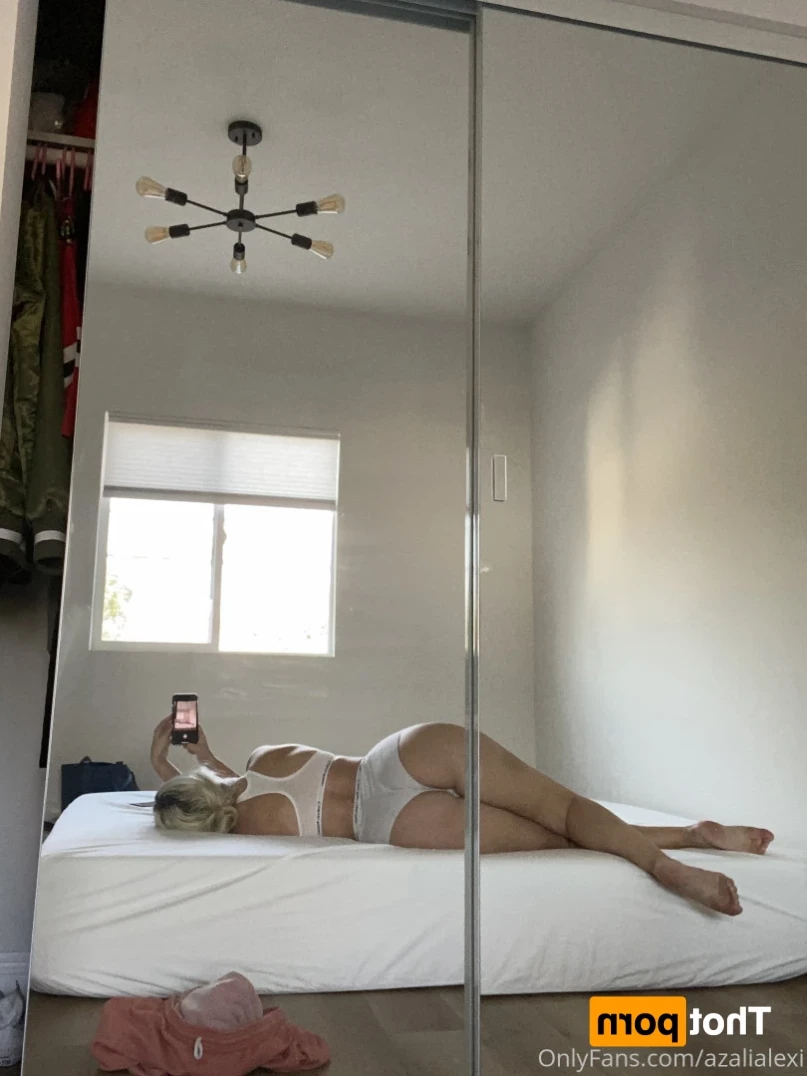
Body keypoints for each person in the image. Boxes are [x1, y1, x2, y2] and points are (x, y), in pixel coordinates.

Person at [150, 717, 773, 917]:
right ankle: (684, 840)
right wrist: (180, 757)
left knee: (554, 838)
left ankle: (680, 854)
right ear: (202, 779)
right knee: (561, 808)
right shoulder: (262, 757)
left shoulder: (249, 827)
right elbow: (229, 777)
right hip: (396, 757)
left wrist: (168, 776)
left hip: (390, 821)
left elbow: (228, 799)